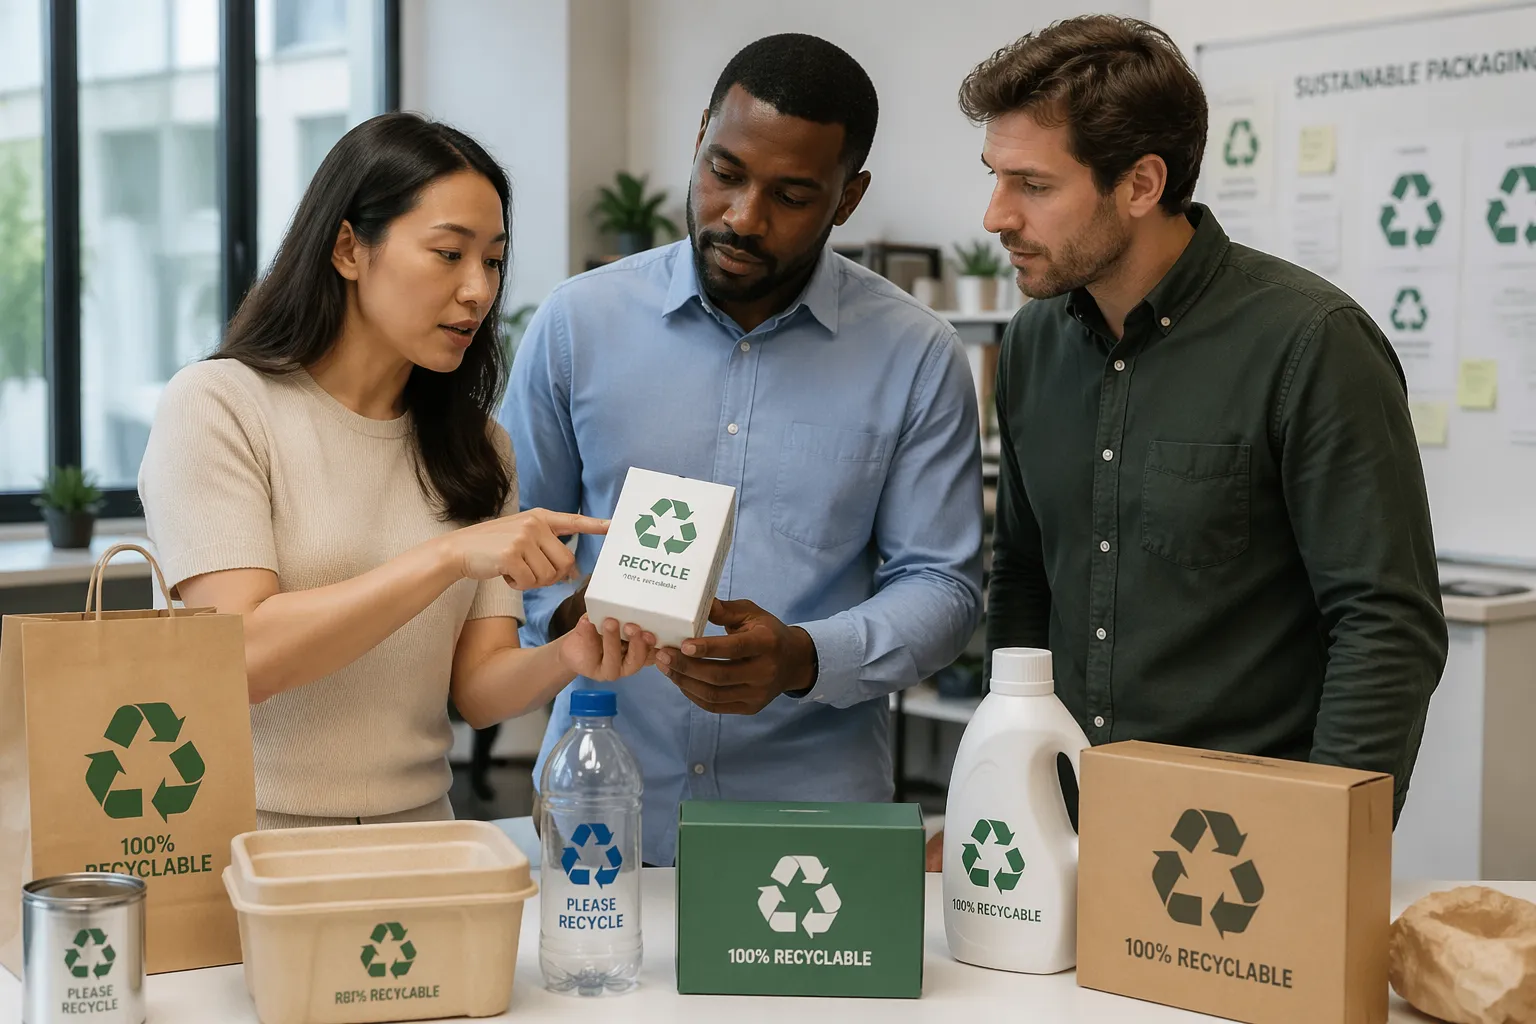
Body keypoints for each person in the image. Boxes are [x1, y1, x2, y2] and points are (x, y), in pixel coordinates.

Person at [927, 15, 1446, 869]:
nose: (995, 216)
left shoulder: (1312, 343)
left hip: (1243, 850)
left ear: (1140, 183)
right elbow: (1023, 576)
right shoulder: (1031, 344)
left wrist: (1324, 856)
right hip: (1063, 836)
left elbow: (1386, 626)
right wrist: (1007, 790)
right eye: (994, 176)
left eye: (1033, 185)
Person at [503, 33, 984, 865]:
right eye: (725, 172)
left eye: (793, 194)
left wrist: (804, 657)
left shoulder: (917, 356)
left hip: (811, 830)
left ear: (848, 197)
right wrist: (574, 616)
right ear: (698, 141)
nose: (743, 217)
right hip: (604, 808)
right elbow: (509, 540)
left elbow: (943, 584)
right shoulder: (577, 325)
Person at [139, 113, 657, 830]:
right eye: (449, 254)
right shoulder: (220, 406)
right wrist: (446, 556)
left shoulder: (477, 447)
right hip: (244, 844)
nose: (479, 290)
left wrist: (573, 650)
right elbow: (241, 656)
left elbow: (478, 691)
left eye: (495, 260)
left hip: (420, 843)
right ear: (349, 247)